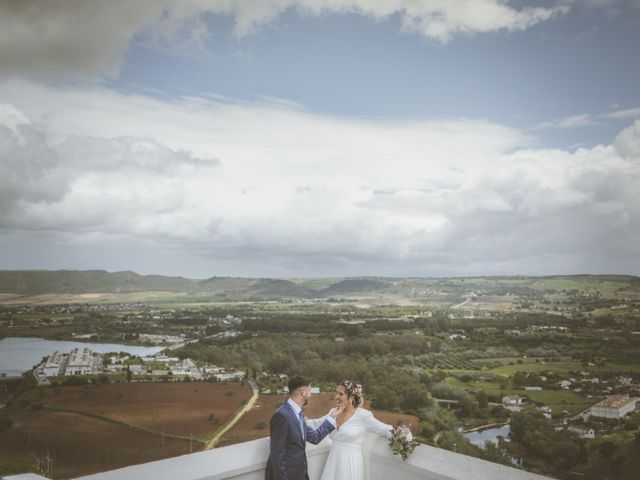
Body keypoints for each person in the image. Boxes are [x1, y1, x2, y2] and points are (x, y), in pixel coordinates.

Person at [266, 375, 341, 480]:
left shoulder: (299, 414)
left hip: (300, 474)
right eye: (309, 390)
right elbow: (277, 455)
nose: (310, 394)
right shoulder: (281, 415)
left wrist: (332, 417)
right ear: (303, 392)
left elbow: (314, 437)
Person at [317, 379, 393, 480]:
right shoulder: (334, 412)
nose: (336, 397)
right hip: (333, 460)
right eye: (336, 393)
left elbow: (385, 429)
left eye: (340, 394)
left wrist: (402, 438)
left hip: (350, 462)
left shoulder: (363, 416)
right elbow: (317, 423)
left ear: (351, 397)